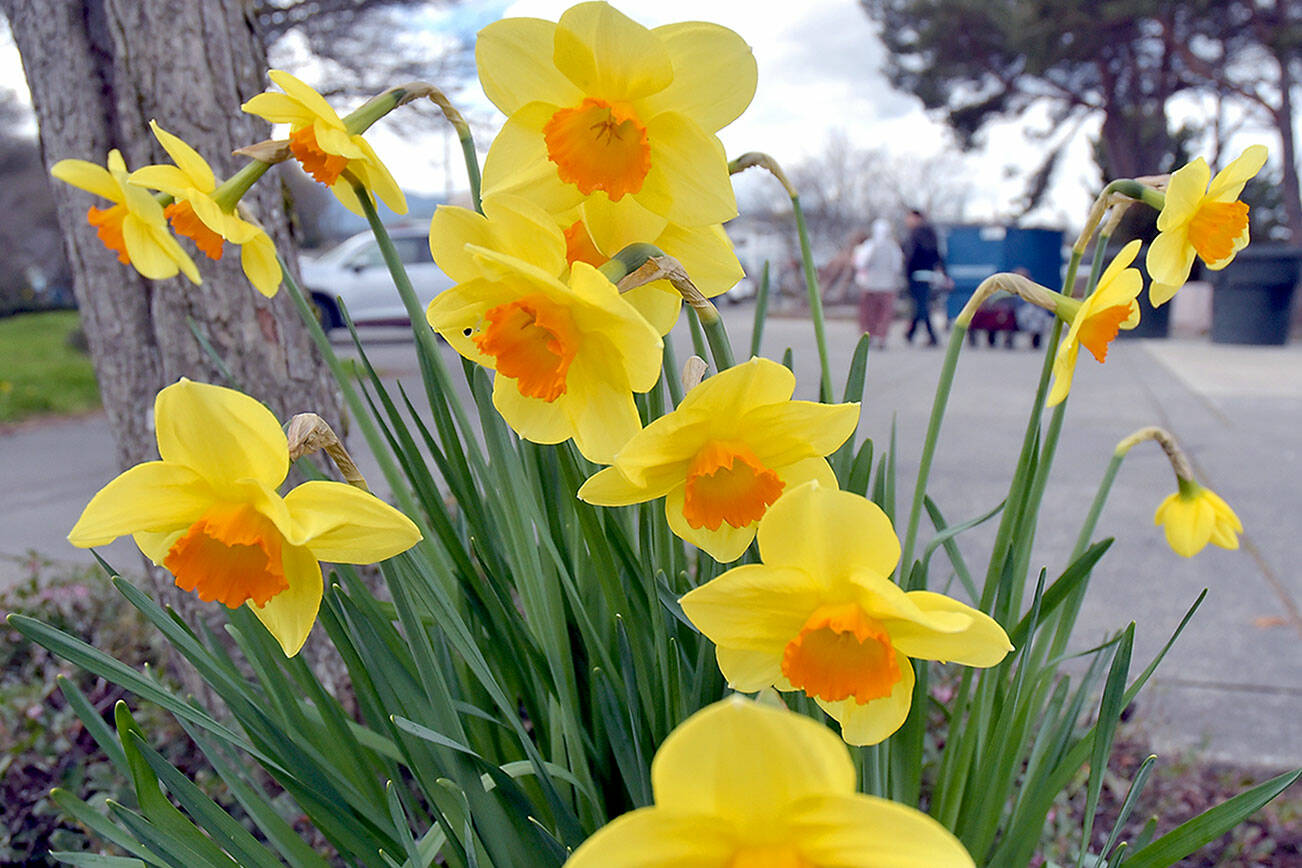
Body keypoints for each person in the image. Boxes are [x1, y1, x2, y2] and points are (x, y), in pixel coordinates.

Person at [851, 219, 904, 349]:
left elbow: (861, 263)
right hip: (886, 286)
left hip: (871, 285)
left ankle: (869, 335)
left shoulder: (869, 246)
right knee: (883, 313)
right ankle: (880, 336)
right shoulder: (893, 247)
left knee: (869, 313)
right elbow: (897, 267)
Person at [903, 209, 947, 346]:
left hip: (916, 274)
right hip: (928, 273)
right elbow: (937, 254)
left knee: (921, 306)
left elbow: (910, 255)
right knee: (921, 304)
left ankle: (930, 336)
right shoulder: (931, 233)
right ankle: (911, 332)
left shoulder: (916, 234)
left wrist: (906, 273)